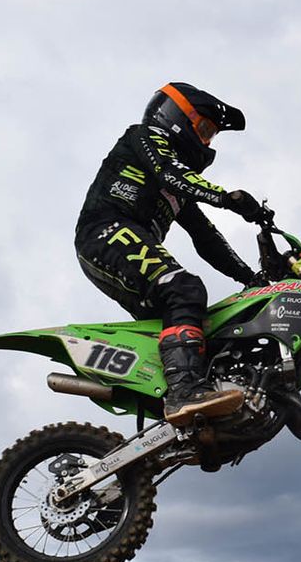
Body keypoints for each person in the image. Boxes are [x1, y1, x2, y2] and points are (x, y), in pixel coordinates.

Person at [75, 81, 271, 426]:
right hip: (105, 231)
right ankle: (184, 391)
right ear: (176, 117)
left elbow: (206, 237)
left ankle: (190, 419)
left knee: (195, 321)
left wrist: (251, 278)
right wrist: (228, 198)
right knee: (183, 288)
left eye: (211, 135)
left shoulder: (177, 187)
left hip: (116, 242)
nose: (206, 142)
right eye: (205, 130)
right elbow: (170, 172)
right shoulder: (144, 137)